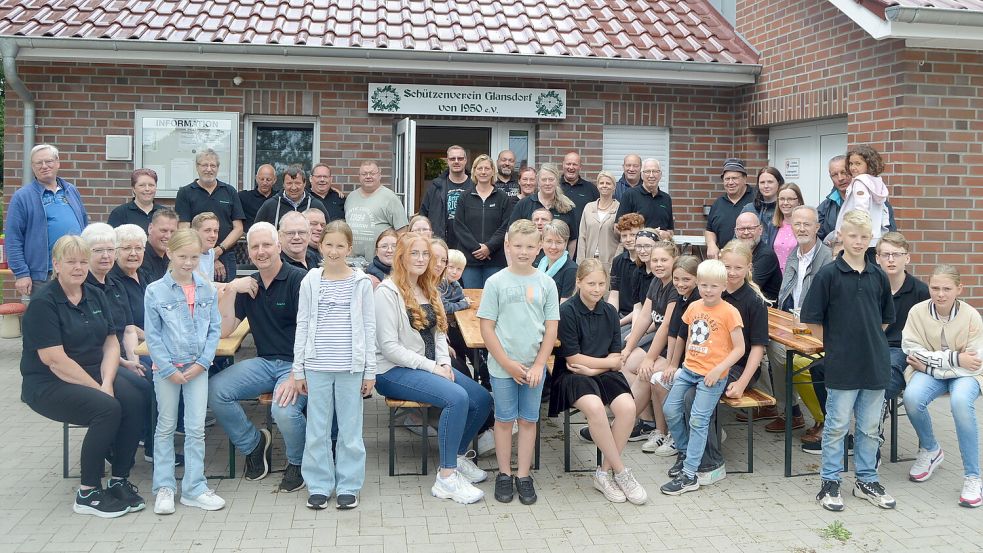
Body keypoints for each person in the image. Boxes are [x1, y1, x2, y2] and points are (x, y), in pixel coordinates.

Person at [20, 235, 146, 517]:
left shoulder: (94, 294)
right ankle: (88, 491)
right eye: (70, 262)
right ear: (56, 264)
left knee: (137, 395)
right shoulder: (45, 303)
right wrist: (100, 389)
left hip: (92, 372)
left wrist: (108, 380)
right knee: (107, 407)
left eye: (81, 261)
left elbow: (111, 341)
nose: (78, 268)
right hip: (48, 382)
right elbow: (54, 359)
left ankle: (119, 479)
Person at [373, 232, 493, 504]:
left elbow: (440, 333)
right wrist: (432, 367)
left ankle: (457, 456)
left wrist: (444, 363)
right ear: (400, 257)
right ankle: (447, 478)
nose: (420, 259)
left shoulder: (429, 288)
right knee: (456, 398)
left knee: (482, 399)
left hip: (429, 366)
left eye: (425, 254)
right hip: (392, 371)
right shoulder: (387, 292)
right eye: (414, 253)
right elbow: (390, 347)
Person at [802, 209, 897, 512]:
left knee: (870, 427)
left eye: (864, 237)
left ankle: (866, 479)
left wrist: (865, 341)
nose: (858, 241)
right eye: (852, 235)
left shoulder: (878, 275)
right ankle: (830, 481)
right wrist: (835, 346)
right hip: (841, 362)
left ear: (871, 239)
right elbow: (813, 321)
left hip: (874, 362)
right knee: (837, 425)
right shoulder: (828, 275)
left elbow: (883, 320)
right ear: (841, 235)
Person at [211, 222, 308, 492]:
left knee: (283, 411)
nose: (261, 251)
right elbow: (225, 329)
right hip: (265, 363)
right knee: (216, 389)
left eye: (267, 245)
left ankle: (297, 463)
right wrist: (230, 288)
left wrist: (295, 375)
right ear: (249, 253)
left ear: (279, 247)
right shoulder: (249, 284)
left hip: (298, 365)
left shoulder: (297, 280)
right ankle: (253, 445)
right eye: (255, 247)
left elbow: (312, 333)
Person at [286, 220, 375, 510]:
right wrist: (298, 368)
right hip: (316, 365)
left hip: (350, 367)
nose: (334, 251)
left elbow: (369, 327)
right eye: (329, 244)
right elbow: (302, 324)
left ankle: (349, 484)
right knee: (318, 428)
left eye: (340, 245)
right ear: (320, 245)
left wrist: (369, 370)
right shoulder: (310, 280)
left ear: (349, 248)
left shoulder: (360, 282)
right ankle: (319, 484)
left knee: (350, 430)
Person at [550, 259, 648, 504]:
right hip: (572, 375)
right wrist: (607, 364)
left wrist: (596, 370)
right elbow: (573, 358)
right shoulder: (567, 311)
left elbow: (617, 359)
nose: (596, 289)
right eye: (591, 283)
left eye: (601, 284)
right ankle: (621, 472)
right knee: (595, 408)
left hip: (597, 372)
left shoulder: (610, 312)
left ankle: (603, 472)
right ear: (578, 282)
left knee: (628, 408)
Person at [143, 228, 225, 514]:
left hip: (197, 368)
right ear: (170, 254)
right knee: (165, 427)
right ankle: (165, 487)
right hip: (166, 369)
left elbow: (214, 329)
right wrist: (167, 368)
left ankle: (194, 487)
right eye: (182, 256)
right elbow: (152, 335)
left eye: (194, 257)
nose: (188, 263)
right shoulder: (155, 290)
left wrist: (202, 363)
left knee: (195, 428)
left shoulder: (207, 289)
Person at [479, 219, 560, 505]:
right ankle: (504, 473)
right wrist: (507, 364)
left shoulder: (546, 283)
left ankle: (523, 475)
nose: (523, 252)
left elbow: (551, 328)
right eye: (518, 246)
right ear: (507, 246)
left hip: (534, 367)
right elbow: (487, 328)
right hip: (503, 367)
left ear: (539, 248)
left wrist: (539, 364)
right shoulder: (496, 282)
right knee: (504, 421)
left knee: (528, 420)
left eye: (529, 246)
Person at [674, 240, 770, 481]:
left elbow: (756, 349)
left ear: (748, 268)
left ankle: (711, 461)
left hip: (739, 366)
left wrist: (742, 382)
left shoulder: (753, 302)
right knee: (678, 398)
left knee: (694, 397)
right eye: (727, 267)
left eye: (738, 268)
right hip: (704, 362)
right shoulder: (711, 290)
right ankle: (688, 453)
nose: (732, 273)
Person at [659, 259, 745, 496]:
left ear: (724, 287)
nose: (708, 290)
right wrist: (677, 365)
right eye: (704, 285)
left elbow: (739, 348)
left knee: (698, 420)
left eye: (714, 286)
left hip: (712, 376)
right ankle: (687, 452)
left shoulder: (730, 312)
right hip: (688, 371)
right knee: (671, 410)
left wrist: (719, 370)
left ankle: (690, 474)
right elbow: (686, 337)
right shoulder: (694, 307)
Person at [902, 265, 983, 507]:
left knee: (960, 403)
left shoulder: (971, 316)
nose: (940, 294)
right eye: (935, 288)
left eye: (947, 289)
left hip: (964, 375)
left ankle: (973, 477)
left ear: (959, 289)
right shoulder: (917, 312)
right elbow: (911, 350)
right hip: (935, 371)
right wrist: (955, 359)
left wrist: (930, 364)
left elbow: (975, 360)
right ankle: (930, 449)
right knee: (912, 398)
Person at [767, 206, 832, 444]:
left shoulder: (826, 257)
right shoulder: (795, 253)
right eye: (797, 224)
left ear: (818, 227)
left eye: (807, 224)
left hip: (817, 328)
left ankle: (825, 418)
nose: (802, 228)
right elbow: (787, 293)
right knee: (771, 348)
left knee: (798, 362)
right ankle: (791, 411)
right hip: (792, 323)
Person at [6, 144, 89, 298]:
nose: (44, 166)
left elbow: (84, 224)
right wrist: (21, 273)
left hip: (75, 270)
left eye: (48, 161)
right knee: (45, 318)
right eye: (38, 163)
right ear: (32, 167)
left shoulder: (71, 191)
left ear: (57, 162)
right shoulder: (22, 197)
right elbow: (13, 238)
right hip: (43, 275)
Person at [620, 241, 680, 448]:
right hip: (659, 345)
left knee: (647, 371)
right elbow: (645, 317)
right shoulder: (656, 281)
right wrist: (627, 349)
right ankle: (645, 421)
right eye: (655, 260)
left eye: (664, 260)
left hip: (675, 350)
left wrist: (649, 358)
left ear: (675, 260)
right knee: (624, 364)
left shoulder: (676, 286)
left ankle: (621, 425)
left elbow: (665, 328)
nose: (659, 264)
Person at [644, 255, 700, 455]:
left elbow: (688, 336)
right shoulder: (680, 297)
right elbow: (673, 333)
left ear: (697, 279)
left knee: (662, 380)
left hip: (695, 363)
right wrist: (670, 363)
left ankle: (677, 435)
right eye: (677, 279)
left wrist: (675, 365)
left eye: (686, 279)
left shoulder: (697, 300)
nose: (680, 283)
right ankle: (661, 431)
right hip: (682, 361)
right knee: (656, 379)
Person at [174, 148, 245, 282]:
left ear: (218, 168)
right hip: (195, 257)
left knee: (226, 296)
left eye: (213, 165)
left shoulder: (229, 191)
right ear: (197, 167)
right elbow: (184, 229)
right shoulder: (185, 192)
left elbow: (238, 228)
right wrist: (207, 255)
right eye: (204, 165)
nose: (209, 169)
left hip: (225, 255)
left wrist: (218, 251)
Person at [876, 232, 930, 404]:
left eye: (897, 254)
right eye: (886, 254)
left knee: (887, 371)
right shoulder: (868, 288)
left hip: (902, 350)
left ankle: (873, 426)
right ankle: (835, 425)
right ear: (877, 259)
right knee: (824, 368)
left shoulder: (921, 292)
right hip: (870, 346)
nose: (891, 259)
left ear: (907, 258)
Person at [453, 155, 513, 288]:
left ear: (493, 171)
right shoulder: (464, 197)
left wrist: (489, 247)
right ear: (474, 171)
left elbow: (506, 226)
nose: (483, 172)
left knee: (492, 300)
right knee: (472, 299)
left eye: (487, 168)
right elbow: (459, 226)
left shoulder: (502, 198)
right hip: (470, 260)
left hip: (495, 260)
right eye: (479, 168)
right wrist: (477, 248)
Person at [830, 146, 891, 257]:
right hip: (873, 236)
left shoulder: (859, 183)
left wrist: (853, 236)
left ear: (869, 164)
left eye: (858, 164)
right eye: (851, 164)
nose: (853, 168)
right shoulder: (877, 182)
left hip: (857, 238)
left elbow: (860, 210)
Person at [818, 156, 897, 242]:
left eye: (844, 172)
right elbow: (817, 239)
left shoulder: (879, 203)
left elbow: (891, 237)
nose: (840, 178)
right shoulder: (825, 208)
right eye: (835, 175)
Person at [345, 161, 409, 261]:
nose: (368, 176)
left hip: (379, 262)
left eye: (372, 173)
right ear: (359, 176)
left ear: (379, 175)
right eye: (364, 174)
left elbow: (402, 232)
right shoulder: (351, 197)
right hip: (350, 260)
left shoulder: (390, 198)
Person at [510, 164, 578, 252]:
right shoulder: (524, 204)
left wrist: (566, 262)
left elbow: (572, 239)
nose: (547, 183)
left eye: (551, 179)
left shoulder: (567, 207)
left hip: (557, 262)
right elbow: (510, 234)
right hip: (529, 261)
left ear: (557, 181)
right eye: (544, 180)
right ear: (538, 181)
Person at [420, 145, 473, 241]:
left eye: (460, 158)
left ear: (465, 160)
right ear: (448, 161)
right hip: (440, 242)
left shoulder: (475, 187)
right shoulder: (435, 187)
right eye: (452, 159)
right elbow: (423, 215)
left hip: (468, 243)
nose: (456, 161)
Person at [704, 158, 754, 260]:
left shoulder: (756, 199)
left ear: (745, 179)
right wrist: (711, 244)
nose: (730, 182)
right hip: (725, 260)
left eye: (735, 178)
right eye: (727, 179)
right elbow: (709, 230)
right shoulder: (718, 203)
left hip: (752, 259)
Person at [615, 158, 674, 240]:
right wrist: (648, 234)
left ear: (660, 174)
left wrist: (667, 235)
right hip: (637, 250)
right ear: (641, 175)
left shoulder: (666, 198)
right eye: (647, 172)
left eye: (655, 171)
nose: (651, 175)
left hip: (659, 250)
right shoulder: (630, 195)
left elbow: (670, 230)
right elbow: (617, 228)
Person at [254, 164, 329, 228]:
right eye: (289, 183)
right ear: (283, 184)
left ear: (304, 183)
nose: (293, 187)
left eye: (297, 183)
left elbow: (326, 232)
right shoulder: (270, 205)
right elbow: (256, 231)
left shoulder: (316, 205)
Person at [577, 171, 620, 273]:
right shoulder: (588, 207)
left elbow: (622, 240)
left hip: (609, 263)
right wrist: (581, 263)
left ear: (614, 187)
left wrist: (616, 262)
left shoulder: (619, 208)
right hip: (589, 262)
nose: (604, 186)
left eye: (608, 183)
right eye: (601, 183)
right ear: (597, 186)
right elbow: (582, 236)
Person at [734, 212, 782, 302]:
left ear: (760, 230)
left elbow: (750, 287)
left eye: (751, 228)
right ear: (736, 232)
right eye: (741, 229)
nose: (746, 232)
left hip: (767, 310)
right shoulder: (736, 252)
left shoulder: (766, 255)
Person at [608, 214, 645, 325]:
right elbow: (614, 294)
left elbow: (642, 307)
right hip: (620, 315)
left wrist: (618, 324)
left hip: (640, 317)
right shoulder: (617, 261)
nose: (628, 239)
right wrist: (611, 317)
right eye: (624, 236)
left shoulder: (647, 263)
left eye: (633, 235)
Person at [741, 167, 784, 247]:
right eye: (762, 182)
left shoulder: (785, 209)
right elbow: (737, 238)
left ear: (778, 183)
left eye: (770, 182)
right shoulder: (749, 209)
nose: (766, 186)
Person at [559, 151, 599, 233]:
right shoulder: (555, 186)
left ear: (580, 167)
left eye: (574, 164)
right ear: (563, 165)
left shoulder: (591, 189)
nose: (571, 167)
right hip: (558, 238)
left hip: (583, 237)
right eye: (568, 164)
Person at [538, 220, 578, 301]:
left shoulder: (571, 270)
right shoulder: (540, 264)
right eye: (549, 241)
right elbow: (531, 297)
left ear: (566, 243)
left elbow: (564, 307)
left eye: (558, 242)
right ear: (542, 242)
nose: (553, 247)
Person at [771, 183, 804, 273]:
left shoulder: (805, 227)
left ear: (799, 201)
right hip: (775, 281)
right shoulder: (773, 226)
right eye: (782, 199)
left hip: (795, 278)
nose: (785, 203)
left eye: (790, 199)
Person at [142, 208, 179, 283]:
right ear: (150, 228)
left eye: (172, 232)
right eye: (163, 230)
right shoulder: (139, 257)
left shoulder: (173, 257)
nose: (168, 236)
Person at [239, 164, 278, 233]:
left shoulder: (279, 198)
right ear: (256, 178)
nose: (264, 182)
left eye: (268, 180)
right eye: (261, 179)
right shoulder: (243, 197)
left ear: (274, 180)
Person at [191, 212, 220, 281]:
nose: (213, 235)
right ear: (195, 232)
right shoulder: (188, 253)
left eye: (216, 231)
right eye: (207, 230)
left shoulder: (211, 252)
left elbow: (209, 284)